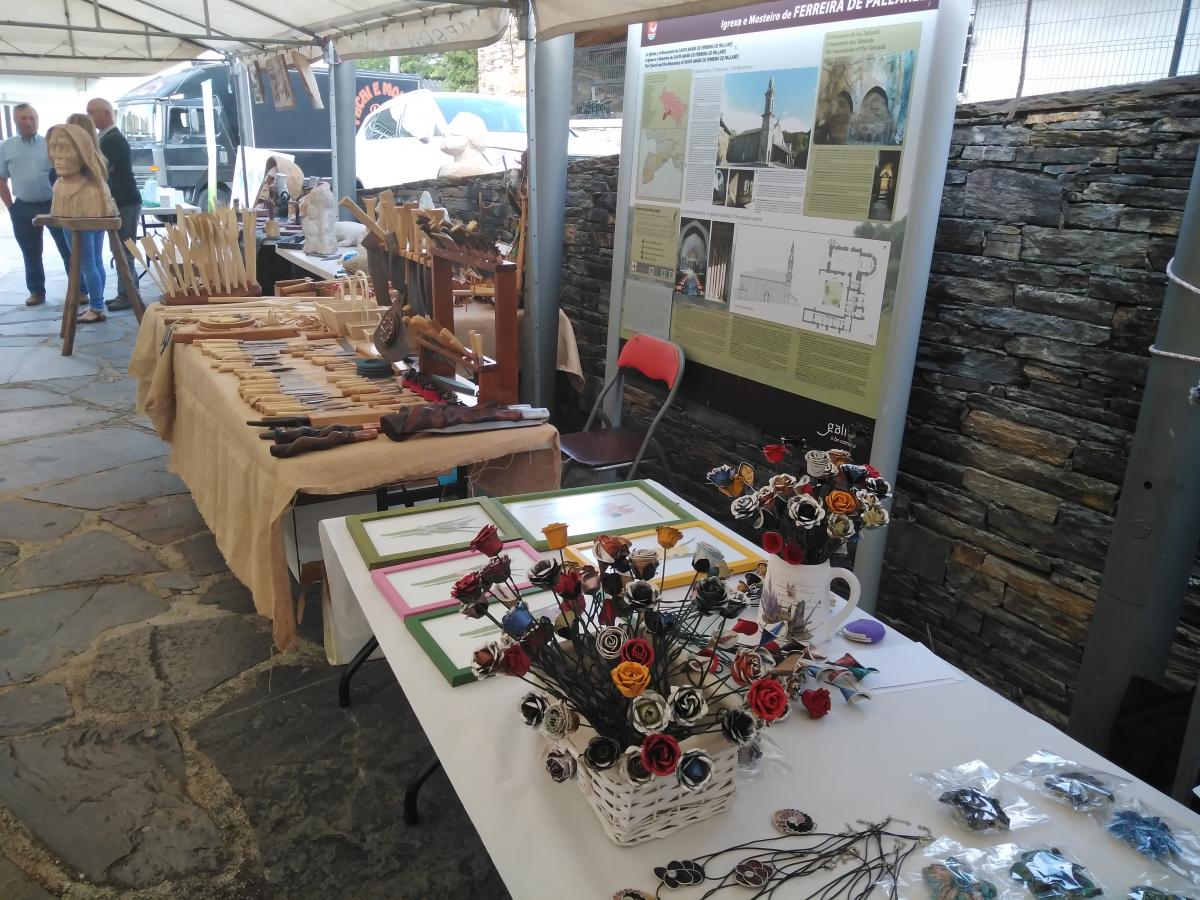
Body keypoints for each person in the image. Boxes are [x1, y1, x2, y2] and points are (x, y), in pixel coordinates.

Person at [0, 103, 71, 307]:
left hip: (53, 204)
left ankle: (80, 289)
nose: (29, 122)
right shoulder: (6, 147)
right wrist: (11, 207)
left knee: (68, 248)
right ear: (15, 120)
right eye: (24, 118)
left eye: (32, 117)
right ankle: (36, 291)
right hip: (23, 207)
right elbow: (2, 179)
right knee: (31, 252)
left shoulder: (50, 144)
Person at [86, 97, 139, 312]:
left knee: (124, 250)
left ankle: (127, 294)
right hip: (121, 201)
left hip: (125, 201)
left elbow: (104, 171)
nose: (89, 116)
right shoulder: (105, 138)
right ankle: (127, 292)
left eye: (91, 112)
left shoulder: (113, 140)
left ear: (106, 114)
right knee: (120, 249)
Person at [65, 113, 108, 323]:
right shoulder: (97, 155)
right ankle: (98, 305)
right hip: (97, 215)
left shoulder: (76, 158)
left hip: (79, 215)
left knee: (87, 264)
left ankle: (97, 306)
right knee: (96, 262)